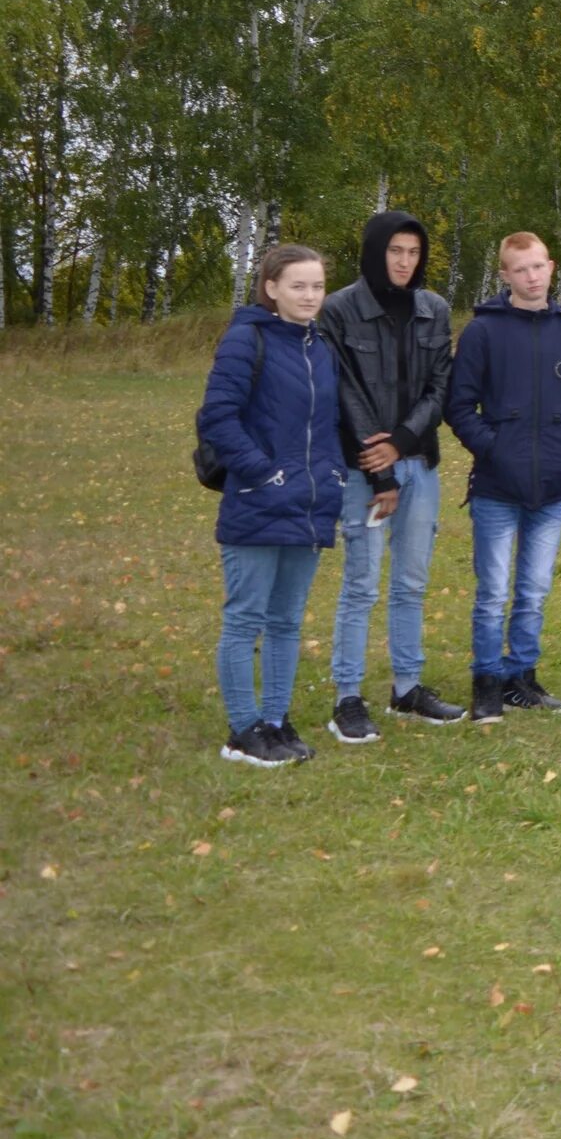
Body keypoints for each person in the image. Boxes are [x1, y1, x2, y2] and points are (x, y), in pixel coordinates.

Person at [196, 244, 348, 767]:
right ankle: (244, 730)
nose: (310, 296)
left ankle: (278, 723)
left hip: (310, 504)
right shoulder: (245, 340)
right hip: (259, 502)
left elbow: (327, 425)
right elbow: (217, 417)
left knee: (286, 621)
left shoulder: (321, 346)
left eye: (318, 286)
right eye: (298, 286)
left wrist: (331, 474)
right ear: (272, 289)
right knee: (246, 620)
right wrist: (263, 471)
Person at [316, 210, 463, 742]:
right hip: (364, 468)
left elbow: (441, 385)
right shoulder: (338, 310)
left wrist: (403, 442)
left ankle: (407, 688)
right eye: (395, 251)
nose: (404, 262)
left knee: (411, 582)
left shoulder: (435, 309)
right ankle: (347, 698)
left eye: (413, 252)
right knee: (361, 585)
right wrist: (380, 467)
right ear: (376, 252)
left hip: (420, 462)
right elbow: (342, 391)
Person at [447, 232, 561, 722]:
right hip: (495, 486)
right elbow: (459, 404)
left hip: (551, 486)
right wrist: (494, 448)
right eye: (521, 269)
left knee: (534, 590)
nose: (532, 277)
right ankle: (486, 682)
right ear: (505, 275)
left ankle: (521, 678)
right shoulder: (483, 331)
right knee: (493, 592)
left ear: (551, 267)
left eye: (538, 267)